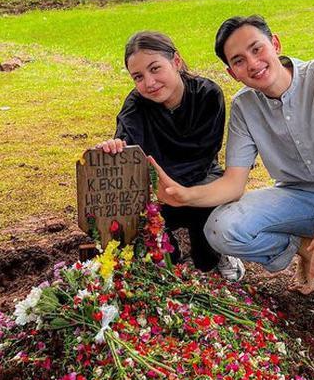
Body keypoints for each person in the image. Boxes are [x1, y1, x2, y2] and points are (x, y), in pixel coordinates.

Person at [151, 15, 314, 355]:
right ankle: (305, 249)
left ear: (276, 45)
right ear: (232, 73)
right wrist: (186, 195)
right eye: (239, 60)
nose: (253, 63)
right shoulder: (243, 107)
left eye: (257, 49)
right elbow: (234, 184)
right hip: (296, 194)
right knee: (221, 229)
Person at [95, 30, 244, 282]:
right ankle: (167, 246)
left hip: (200, 178)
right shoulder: (136, 105)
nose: (149, 82)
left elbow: (205, 154)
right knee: (158, 251)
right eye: (138, 77)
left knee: (205, 254)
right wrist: (114, 148)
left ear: (175, 61)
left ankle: (216, 252)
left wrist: (175, 189)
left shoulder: (208, 95)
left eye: (155, 69)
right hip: (158, 188)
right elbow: (127, 145)